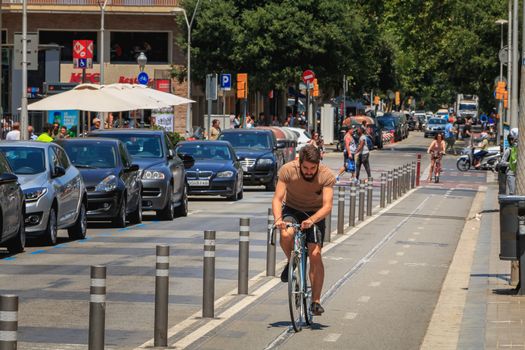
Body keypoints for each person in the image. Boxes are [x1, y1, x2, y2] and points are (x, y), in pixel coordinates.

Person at [272, 145, 335, 316]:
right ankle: (291, 261)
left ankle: (315, 301)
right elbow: (278, 199)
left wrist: (312, 220)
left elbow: (327, 206)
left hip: (315, 213)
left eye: (312, 168)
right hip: (292, 210)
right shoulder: (287, 170)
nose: (309, 171)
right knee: (285, 234)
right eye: (305, 168)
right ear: (299, 163)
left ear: (318, 165)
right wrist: (278, 219)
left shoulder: (326, 175)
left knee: (315, 254)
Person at [500, 128, 519, 195]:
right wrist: (510, 163)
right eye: (512, 140)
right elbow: (502, 162)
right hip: (511, 174)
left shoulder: (521, 149)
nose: (513, 142)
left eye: (516, 140)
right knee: (512, 192)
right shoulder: (509, 150)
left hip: (520, 174)